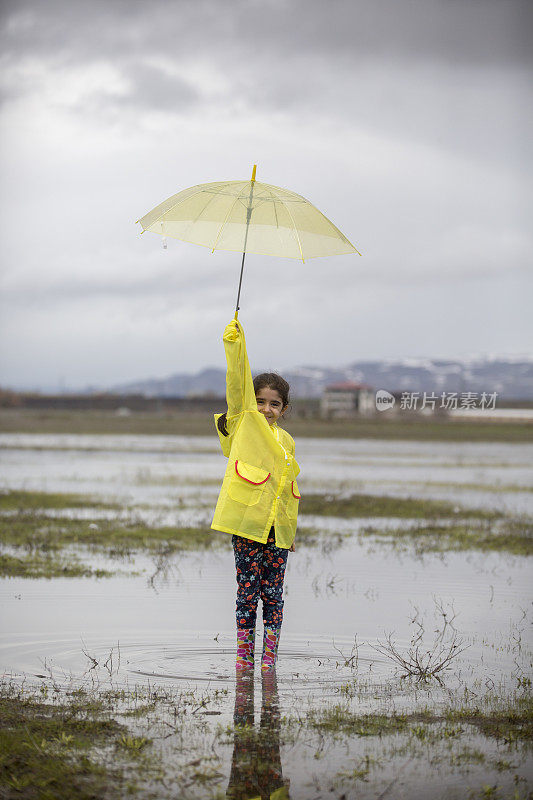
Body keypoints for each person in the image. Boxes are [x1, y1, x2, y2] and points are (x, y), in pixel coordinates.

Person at [211, 317, 301, 673]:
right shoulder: (244, 426)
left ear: (284, 408)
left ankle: (269, 660)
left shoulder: (287, 441)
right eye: (261, 401)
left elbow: (289, 491)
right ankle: (244, 657)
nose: (266, 409)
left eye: (274, 404)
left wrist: (290, 534)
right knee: (247, 596)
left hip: (278, 533)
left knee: (274, 596)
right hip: (247, 527)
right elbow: (237, 389)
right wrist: (235, 345)